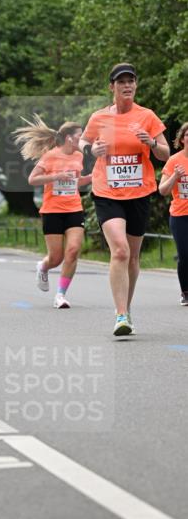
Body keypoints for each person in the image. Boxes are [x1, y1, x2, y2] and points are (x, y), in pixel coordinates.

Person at [80, 63, 169, 336]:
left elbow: (166, 153)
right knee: (119, 250)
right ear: (112, 87)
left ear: (135, 86)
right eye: (121, 82)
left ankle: (125, 308)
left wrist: (152, 143)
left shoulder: (147, 117)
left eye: (131, 81)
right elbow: (83, 144)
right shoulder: (99, 118)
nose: (127, 86)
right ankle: (120, 315)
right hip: (107, 192)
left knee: (132, 257)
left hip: (139, 192)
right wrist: (92, 148)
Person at [13, 115, 92, 309]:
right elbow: (32, 179)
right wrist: (56, 176)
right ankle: (43, 266)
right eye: (79, 136)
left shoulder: (78, 156)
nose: (82, 140)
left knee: (73, 251)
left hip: (74, 208)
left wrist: (90, 178)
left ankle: (60, 295)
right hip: (52, 210)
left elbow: (75, 180)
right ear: (69, 138)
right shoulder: (50, 156)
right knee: (56, 258)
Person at [159, 122, 188, 306]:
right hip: (180, 215)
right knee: (185, 255)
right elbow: (162, 189)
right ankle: (185, 291)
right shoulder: (174, 161)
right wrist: (175, 177)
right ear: (183, 139)